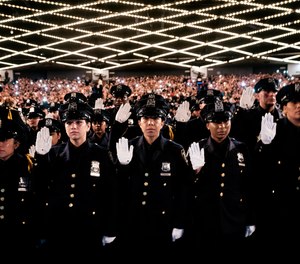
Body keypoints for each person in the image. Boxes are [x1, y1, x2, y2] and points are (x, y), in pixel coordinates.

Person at [32, 92, 118, 260]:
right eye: (69, 122)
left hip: (91, 228)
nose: (73, 126)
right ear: (64, 127)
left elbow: (111, 194)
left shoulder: (101, 155)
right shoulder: (53, 154)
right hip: (59, 228)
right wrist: (41, 159)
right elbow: (39, 189)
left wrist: (110, 229)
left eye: (79, 122)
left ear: (88, 126)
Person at [115, 93, 193, 261]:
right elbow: (117, 187)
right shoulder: (128, 147)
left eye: (156, 118)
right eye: (145, 118)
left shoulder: (175, 150)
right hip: (134, 222)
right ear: (139, 122)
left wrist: (179, 223)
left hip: (164, 222)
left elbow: (182, 190)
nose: (150, 123)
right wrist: (121, 166)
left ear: (163, 122)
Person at [187, 99, 256, 261]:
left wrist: (250, 219)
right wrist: (194, 172)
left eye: (226, 121)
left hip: (234, 220)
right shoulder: (198, 149)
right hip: (204, 221)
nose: (222, 127)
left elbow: (248, 186)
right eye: (216, 123)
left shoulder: (241, 148)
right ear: (207, 125)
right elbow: (186, 189)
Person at [253, 83, 300, 260]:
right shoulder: (273, 130)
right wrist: (263, 145)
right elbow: (258, 170)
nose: (298, 105)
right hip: (280, 207)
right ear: (284, 108)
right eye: (293, 102)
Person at [0, 105, 35, 259]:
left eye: (5, 140)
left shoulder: (27, 166)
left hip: (20, 234)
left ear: (16, 143)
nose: (0, 144)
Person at [230, 77, 283, 155]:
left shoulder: (283, 116)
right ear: (257, 96)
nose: (272, 94)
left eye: (275, 91)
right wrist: (241, 110)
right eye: (267, 91)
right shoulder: (248, 115)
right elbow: (234, 134)